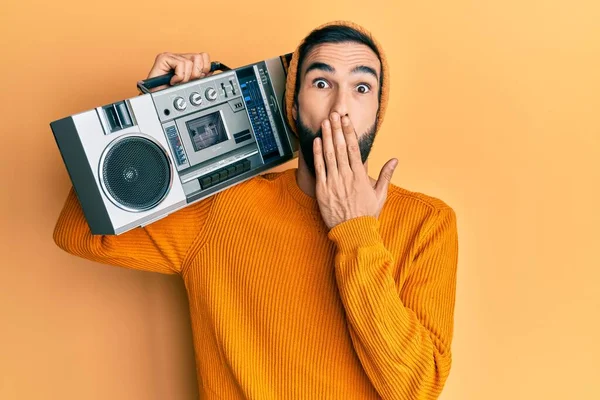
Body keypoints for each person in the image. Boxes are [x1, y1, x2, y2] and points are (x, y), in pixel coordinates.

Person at [54, 20, 459, 400]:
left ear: (378, 110)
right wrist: (151, 122)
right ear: (293, 105)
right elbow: (81, 233)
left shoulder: (427, 223)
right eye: (321, 82)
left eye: (362, 88)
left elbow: (415, 387)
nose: (341, 107)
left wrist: (354, 230)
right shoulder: (223, 206)